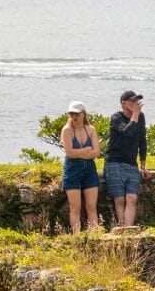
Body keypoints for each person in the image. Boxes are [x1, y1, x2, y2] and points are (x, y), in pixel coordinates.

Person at [105, 90, 149, 227]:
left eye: (137, 101)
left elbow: (142, 141)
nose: (135, 104)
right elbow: (128, 132)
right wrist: (135, 115)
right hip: (114, 161)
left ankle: (128, 229)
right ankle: (122, 228)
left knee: (132, 198)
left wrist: (143, 165)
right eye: (132, 101)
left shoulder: (140, 117)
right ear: (124, 103)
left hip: (131, 163)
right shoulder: (116, 118)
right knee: (119, 199)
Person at [60, 101, 101, 233]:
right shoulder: (67, 130)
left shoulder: (91, 129)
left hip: (89, 171)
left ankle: (94, 234)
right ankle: (77, 236)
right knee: (75, 207)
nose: (74, 116)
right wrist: (87, 150)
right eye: (71, 113)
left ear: (83, 114)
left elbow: (97, 152)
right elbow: (70, 153)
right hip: (72, 171)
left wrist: (81, 153)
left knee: (91, 206)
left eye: (77, 113)